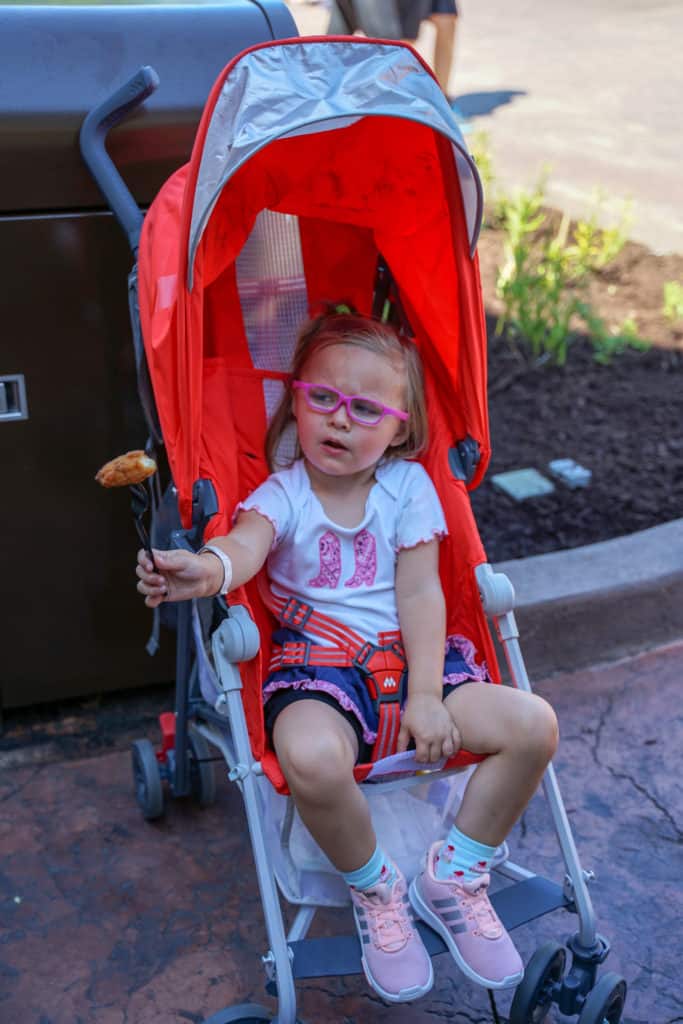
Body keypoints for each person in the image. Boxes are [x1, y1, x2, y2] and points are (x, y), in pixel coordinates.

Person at [136, 308, 559, 1004]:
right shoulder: (284, 494)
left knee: (532, 725)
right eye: (322, 399)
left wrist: (424, 694)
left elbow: (423, 596)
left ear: (401, 427)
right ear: (295, 403)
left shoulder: (408, 489)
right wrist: (206, 571)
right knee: (308, 758)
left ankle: (455, 873)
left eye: (365, 409)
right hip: (317, 675)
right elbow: (243, 547)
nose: (338, 420)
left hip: (422, 664)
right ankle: (376, 887)